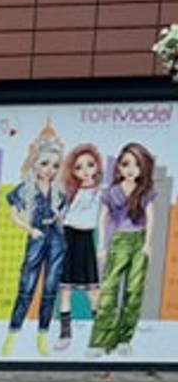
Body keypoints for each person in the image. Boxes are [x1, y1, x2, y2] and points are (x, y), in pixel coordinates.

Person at [1, 121, 67, 358]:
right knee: (26, 287)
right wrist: (30, 230)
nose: (49, 169)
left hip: (57, 238)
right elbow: (13, 215)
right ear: (35, 164)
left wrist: (60, 216)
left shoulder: (60, 191)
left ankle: (42, 335)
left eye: (55, 166)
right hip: (37, 235)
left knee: (50, 289)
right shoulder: (25, 188)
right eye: (45, 164)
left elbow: (63, 215)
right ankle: (12, 334)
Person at [89, 142, 157, 357]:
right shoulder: (111, 192)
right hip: (118, 242)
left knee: (133, 292)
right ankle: (101, 340)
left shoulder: (144, 192)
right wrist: (101, 245)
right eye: (126, 163)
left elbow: (151, 218)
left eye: (137, 164)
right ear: (118, 166)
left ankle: (124, 339)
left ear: (143, 168)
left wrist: (147, 244)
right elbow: (102, 218)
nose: (131, 169)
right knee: (109, 290)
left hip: (138, 240)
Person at [54, 143, 104, 351]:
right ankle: (65, 333)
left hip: (86, 239)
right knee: (65, 288)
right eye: (78, 167)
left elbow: (102, 219)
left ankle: (101, 333)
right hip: (68, 238)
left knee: (92, 288)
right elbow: (62, 215)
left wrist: (101, 245)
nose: (85, 171)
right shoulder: (70, 191)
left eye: (89, 165)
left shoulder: (102, 192)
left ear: (97, 166)